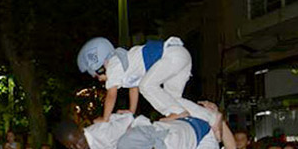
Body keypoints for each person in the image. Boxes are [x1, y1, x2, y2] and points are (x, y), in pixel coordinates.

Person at [76, 36, 208, 123]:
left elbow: (111, 95)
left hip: (170, 56)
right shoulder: (124, 64)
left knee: (147, 86)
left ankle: (177, 112)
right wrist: (131, 111)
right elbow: (134, 87)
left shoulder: (113, 66)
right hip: (180, 55)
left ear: (100, 67)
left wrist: (105, 119)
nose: (100, 80)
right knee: (172, 98)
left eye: (97, 76)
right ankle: (212, 118)